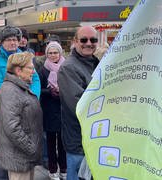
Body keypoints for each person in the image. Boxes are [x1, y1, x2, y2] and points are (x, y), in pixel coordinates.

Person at [0, 25, 41, 180]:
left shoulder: (24, 56)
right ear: (2, 42)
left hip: (27, 107)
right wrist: (21, 99)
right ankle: (3, 176)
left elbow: (35, 79)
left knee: (23, 140)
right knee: (7, 144)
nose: (13, 43)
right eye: (9, 40)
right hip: (7, 108)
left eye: (15, 40)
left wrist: (33, 98)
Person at [57, 26, 99, 180]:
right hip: (79, 142)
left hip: (95, 138)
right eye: (84, 40)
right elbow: (79, 106)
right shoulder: (69, 68)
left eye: (93, 40)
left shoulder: (96, 63)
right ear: (75, 41)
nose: (89, 43)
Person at [0, 52, 43, 180]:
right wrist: (31, 148)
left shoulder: (19, 87)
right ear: (18, 70)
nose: (33, 71)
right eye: (30, 68)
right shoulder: (10, 90)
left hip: (24, 156)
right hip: (19, 158)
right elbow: (12, 127)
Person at [38, 41, 67, 180]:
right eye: (50, 53)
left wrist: (63, 91)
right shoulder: (43, 70)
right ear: (46, 54)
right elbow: (38, 89)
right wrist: (50, 92)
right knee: (50, 142)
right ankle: (52, 169)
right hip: (49, 109)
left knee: (63, 142)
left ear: (60, 53)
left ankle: (64, 168)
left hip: (63, 109)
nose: (53, 55)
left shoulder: (66, 67)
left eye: (55, 52)